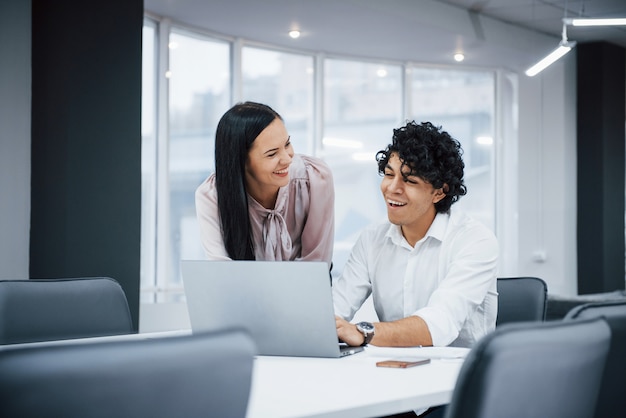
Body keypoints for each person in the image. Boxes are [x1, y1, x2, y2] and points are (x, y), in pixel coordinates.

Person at [333, 120, 498, 349]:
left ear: (439, 192)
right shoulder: (372, 239)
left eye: (409, 180)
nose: (392, 188)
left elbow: (439, 324)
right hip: (390, 369)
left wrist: (363, 332)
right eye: (389, 175)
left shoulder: (474, 241)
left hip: (458, 374)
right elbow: (335, 307)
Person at [195, 101, 334, 267]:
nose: (287, 158)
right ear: (240, 161)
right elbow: (222, 270)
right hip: (242, 291)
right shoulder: (211, 196)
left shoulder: (314, 178)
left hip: (306, 289)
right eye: (272, 154)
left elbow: (316, 264)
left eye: (287, 144)